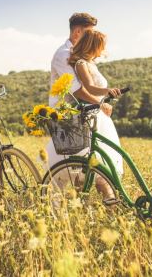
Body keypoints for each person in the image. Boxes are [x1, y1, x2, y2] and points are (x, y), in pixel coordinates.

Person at [46, 13, 122, 201]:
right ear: (78, 31)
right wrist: (100, 102)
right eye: (89, 33)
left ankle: (98, 206)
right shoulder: (64, 55)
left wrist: (101, 102)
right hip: (73, 116)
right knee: (81, 169)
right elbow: (77, 91)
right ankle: (95, 208)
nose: (92, 37)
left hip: (92, 115)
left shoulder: (84, 58)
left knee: (97, 166)